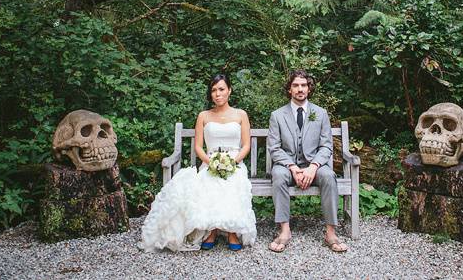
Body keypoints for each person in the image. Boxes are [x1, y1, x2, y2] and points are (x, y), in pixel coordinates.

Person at [139, 73, 257, 252]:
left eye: (221, 89)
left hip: (235, 163)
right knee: (210, 182)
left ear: (229, 91)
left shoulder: (241, 115)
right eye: (214, 90)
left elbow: (246, 145)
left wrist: (231, 162)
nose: (217, 94)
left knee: (232, 182)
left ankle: (231, 231)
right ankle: (213, 230)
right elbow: (198, 147)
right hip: (210, 162)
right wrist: (211, 163)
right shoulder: (204, 116)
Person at [266, 69, 348, 253]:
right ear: (289, 89)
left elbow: (326, 146)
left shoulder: (320, 113)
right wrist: (293, 167)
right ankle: (284, 230)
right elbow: (274, 147)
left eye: (303, 85)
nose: (300, 89)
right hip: (287, 166)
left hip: (314, 166)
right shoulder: (277, 115)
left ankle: (331, 232)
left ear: (309, 89)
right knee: (278, 175)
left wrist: (313, 167)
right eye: (295, 85)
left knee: (329, 176)